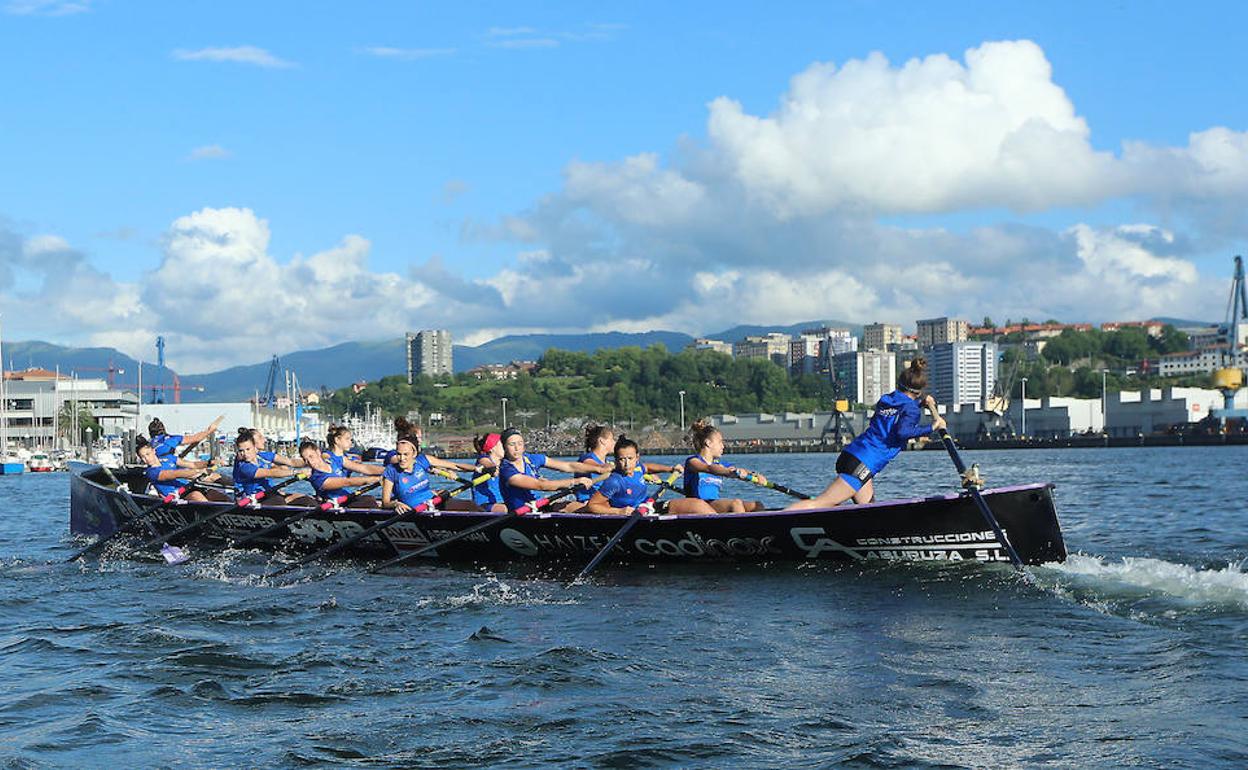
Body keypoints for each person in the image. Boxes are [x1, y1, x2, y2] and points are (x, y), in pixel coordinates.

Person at [786, 357, 947, 510]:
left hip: (850, 455)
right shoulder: (910, 408)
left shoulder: (886, 399)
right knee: (820, 503)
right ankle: (770, 525)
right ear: (919, 391)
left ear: (900, 384)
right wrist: (932, 426)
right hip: (863, 464)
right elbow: (903, 432)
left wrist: (919, 403)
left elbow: (898, 412)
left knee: (869, 510)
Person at [584, 436, 714, 515]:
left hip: (648, 506)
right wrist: (619, 511)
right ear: (616, 460)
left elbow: (649, 467)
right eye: (622, 459)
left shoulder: (638, 467)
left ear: (637, 458)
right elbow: (592, 505)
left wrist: (670, 469)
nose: (626, 463)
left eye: (630, 458)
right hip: (632, 514)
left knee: (697, 504)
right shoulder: (614, 481)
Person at [497, 428, 603, 512]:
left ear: (524, 446)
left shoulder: (532, 459)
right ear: (504, 447)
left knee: (587, 508)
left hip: (541, 506)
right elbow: (541, 485)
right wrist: (575, 482)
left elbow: (569, 466)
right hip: (522, 513)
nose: (517, 448)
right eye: (512, 444)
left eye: (520, 443)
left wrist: (599, 469)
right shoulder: (506, 469)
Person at [380, 433, 480, 513]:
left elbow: (455, 466)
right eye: (399, 454)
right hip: (414, 512)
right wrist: (396, 504)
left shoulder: (422, 461)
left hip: (434, 503)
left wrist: (478, 469)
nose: (402, 458)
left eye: (406, 454)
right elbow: (385, 503)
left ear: (414, 454)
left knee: (470, 505)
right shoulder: (391, 471)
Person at [682, 419, 767, 513]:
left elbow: (739, 470)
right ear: (708, 443)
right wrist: (728, 472)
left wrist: (755, 475)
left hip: (713, 504)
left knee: (756, 505)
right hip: (698, 506)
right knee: (735, 503)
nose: (723, 446)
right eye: (720, 442)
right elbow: (709, 468)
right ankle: (742, 527)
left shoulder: (720, 464)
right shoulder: (692, 462)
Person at [136, 436, 228, 502]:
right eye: (143, 457)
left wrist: (210, 463)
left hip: (190, 486)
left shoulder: (169, 458)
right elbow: (175, 474)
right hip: (177, 495)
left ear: (153, 451)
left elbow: (193, 464)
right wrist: (198, 472)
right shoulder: (151, 472)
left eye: (147, 454)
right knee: (197, 496)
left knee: (217, 487)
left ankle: (238, 493)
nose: (146, 459)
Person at [232, 431, 314, 506]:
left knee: (305, 498)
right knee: (278, 500)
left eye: (248, 449)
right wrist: (296, 472)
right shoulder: (244, 466)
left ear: (254, 447)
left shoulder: (263, 457)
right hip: (251, 499)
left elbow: (292, 462)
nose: (245, 454)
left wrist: (314, 462)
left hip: (268, 494)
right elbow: (270, 473)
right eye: (241, 451)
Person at [298, 439, 384, 508]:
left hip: (350, 499)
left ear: (318, 452)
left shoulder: (334, 460)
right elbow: (347, 482)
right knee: (368, 500)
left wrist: (389, 471)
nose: (310, 462)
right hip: (337, 505)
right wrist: (376, 479)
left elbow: (365, 468)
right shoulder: (316, 477)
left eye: (311, 456)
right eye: (305, 459)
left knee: (370, 499)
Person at [148, 415, 224, 461]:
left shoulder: (149, 443)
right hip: (169, 468)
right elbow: (196, 438)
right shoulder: (170, 439)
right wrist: (209, 430)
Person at [573, 424, 615, 504]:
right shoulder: (586, 458)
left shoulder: (608, 462)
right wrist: (617, 468)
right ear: (602, 441)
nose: (614, 442)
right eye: (612, 439)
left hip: (603, 500)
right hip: (586, 501)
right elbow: (597, 467)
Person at [471, 432, 507, 513]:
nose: (506, 447)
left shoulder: (505, 464)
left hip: (501, 503)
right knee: (510, 508)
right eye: (502, 444)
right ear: (492, 448)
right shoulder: (483, 458)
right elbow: (486, 463)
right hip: (484, 505)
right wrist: (492, 468)